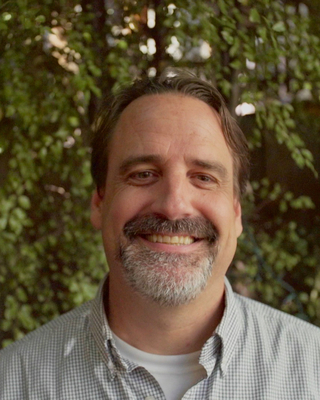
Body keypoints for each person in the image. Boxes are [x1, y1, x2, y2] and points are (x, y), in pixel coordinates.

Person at [1, 70, 320, 400]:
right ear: (99, 201)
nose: (174, 205)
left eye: (204, 177)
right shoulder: (14, 383)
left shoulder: (313, 371)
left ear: (236, 212)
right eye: (143, 174)